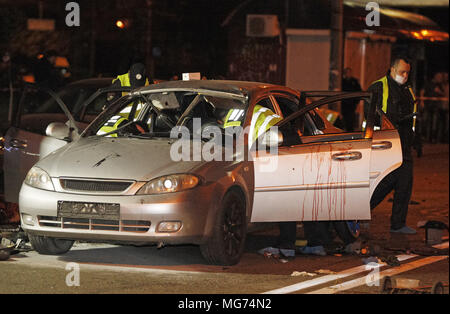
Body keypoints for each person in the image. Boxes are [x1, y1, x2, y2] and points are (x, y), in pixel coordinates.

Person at [368, 56, 418, 234]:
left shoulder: (407, 90)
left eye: (407, 72)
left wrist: (415, 141)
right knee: (384, 182)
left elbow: (413, 118)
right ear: (392, 69)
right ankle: (361, 212)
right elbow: (372, 115)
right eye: (402, 72)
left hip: (404, 145)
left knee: (405, 185)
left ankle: (398, 224)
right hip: (387, 144)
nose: (405, 75)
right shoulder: (379, 87)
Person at [341, 67, 362, 132]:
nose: (348, 74)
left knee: (351, 120)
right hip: (344, 104)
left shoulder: (354, 82)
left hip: (352, 104)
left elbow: (360, 92)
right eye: (347, 72)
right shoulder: (342, 82)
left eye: (349, 72)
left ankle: (350, 132)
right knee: (345, 120)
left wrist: (356, 102)